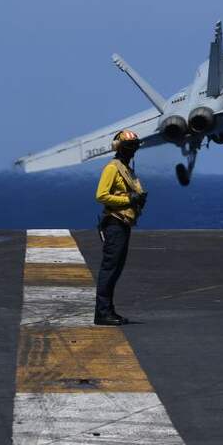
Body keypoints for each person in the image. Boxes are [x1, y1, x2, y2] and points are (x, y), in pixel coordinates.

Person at [94, 130, 147, 325]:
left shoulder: (126, 169)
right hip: (114, 223)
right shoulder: (112, 168)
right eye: (128, 147)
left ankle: (108, 310)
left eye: (134, 147)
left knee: (116, 268)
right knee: (110, 268)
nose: (132, 151)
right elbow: (101, 195)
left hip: (123, 223)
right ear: (119, 148)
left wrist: (138, 199)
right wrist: (128, 199)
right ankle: (102, 312)